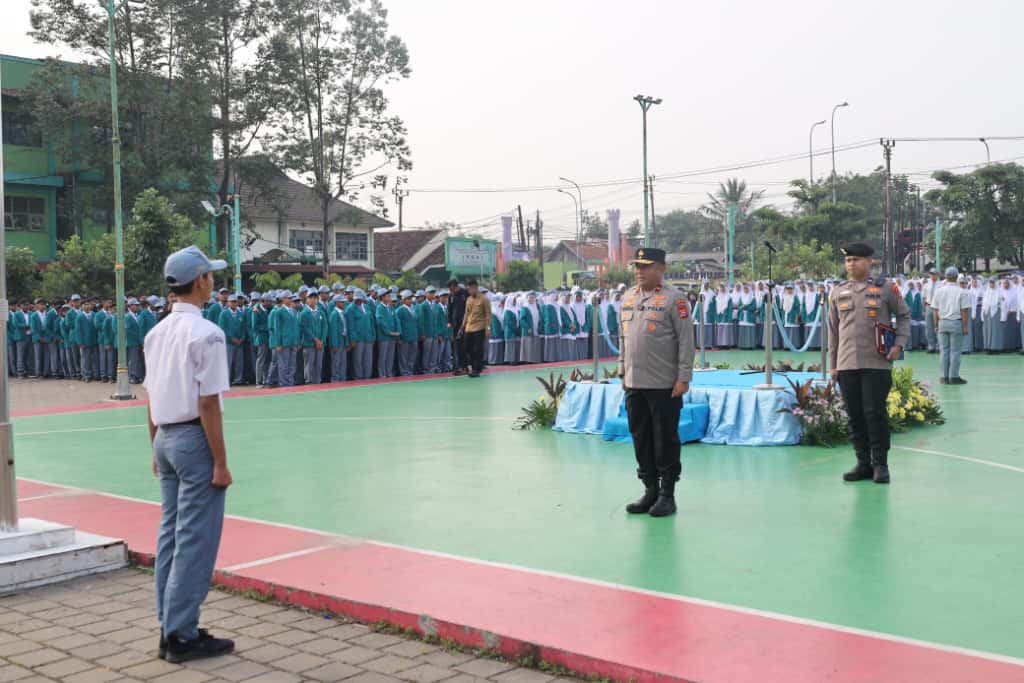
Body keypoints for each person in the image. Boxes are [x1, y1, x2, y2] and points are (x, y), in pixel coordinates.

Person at [144, 245, 235, 663]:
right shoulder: (207, 333)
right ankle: (182, 635)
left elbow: (150, 396)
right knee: (195, 539)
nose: (213, 282)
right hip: (194, 440)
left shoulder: (155, 332)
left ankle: (170, 624)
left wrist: (154, 447)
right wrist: (220, 461)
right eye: (210, 276)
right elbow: (209, 405)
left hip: (164, 435)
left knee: (171, 534)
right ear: (199, 281)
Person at [619, 247, 694, 518]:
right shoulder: (628, 298)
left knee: (665, 440)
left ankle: (667, 494)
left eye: (645, 266)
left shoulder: (675, 299)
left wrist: (683, 376)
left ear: (660, 268)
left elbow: (686, 340)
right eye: (637, 267)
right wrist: (621, 372)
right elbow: (624, 339)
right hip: (634, 382)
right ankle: (650, 489)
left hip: (664, 383)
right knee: (641, 439)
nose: (639, 271)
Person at [828, 242, 910, 485]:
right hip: (846, 363)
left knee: (875, 414)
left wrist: (899, 344)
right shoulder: (837, 292)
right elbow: (833, 331)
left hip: (877, 362)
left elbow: (904, 316)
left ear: (869, 262)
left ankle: (880, 464)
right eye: (848, 260)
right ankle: (863, 463)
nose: (851, 264)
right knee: (855, 415)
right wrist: (833, 365)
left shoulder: (886, 288)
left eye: (856, 259)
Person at [932, 266, 970, 385]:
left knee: (944, 351)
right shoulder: (961, 292)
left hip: (942, 322)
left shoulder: (939, 291)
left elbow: (935, 310)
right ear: (956, 277)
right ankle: (954, 377)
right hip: (955, 322)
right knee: (955, 351)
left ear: (946, 277)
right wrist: (964, 326)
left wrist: (936, 324)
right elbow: (964, 310)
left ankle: (944, 377)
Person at [459, 279, 491, 378]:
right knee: (467, 348)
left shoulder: (484, 299)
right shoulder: (469, 299)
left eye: (470, 289)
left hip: (479, 328)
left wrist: (488, 328)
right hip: (469, 328)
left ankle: (476, 369)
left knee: (478, 349)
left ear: (475, 288)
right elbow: (466, 314)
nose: (468, 291)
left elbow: (488, 315)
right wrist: (462, 327)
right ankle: (474, 366)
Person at [299, 291, 327, 385]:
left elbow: (325, 326)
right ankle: (308, 381)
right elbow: (304, 328)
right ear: (307, 299)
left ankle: (317, 381)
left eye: (315, 298)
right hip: (309, 343)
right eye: (311, 298)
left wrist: (322, 340)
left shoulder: (320, 312)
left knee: (318, 364)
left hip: (320, 344)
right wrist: (315, 339)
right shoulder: (304, 313)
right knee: (309, 364)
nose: (313, 300)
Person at [447, 280, 468, 374]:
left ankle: (465, 366)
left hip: (466, 324)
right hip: (456, 325)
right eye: (450, 289)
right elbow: (449, 309)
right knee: (457, 346)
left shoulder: (465, 293)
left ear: (456, 286)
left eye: (452, 289)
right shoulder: (451, 296)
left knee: (466, 346)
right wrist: (449, 322)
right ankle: (458, 367)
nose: (451, 291)